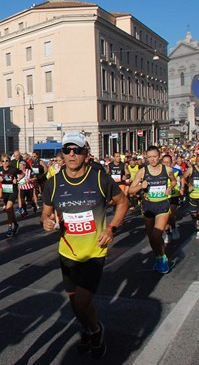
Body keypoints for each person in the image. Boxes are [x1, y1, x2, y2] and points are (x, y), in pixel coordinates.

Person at [40, 132, 128, 359]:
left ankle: (96, 331)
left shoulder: (99, 178)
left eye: (77, 150)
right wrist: (47, 221)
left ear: (86, 154)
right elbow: (46, 214)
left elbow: (122, 202)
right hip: (67, 252)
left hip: (93, 252)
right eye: (67, 150)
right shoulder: (54, 183)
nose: (71, 154)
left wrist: (111, 229)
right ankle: (90, 329)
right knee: (77, 304)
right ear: (62, 154)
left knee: (81, 301)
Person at [128, 146, 177, 274]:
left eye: (155, 156)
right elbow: (130, 190)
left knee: (156, 234)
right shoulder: (143, 171)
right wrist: (140, 186)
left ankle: (163, 258)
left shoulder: (168, 169)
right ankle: (159, 257)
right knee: (151, 237)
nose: (152, 159)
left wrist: (170, 188)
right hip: (148, 206)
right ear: (146, 157)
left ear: (159, 156)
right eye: (149, 157)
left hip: (162, 205)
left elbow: (173, 181)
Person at [0, 153, 21, 237]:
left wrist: (17, 180)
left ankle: (10, 227)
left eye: (7, 161)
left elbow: (23, 174)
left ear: (9, 162)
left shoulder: (13, 169)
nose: (5, 162)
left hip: (13, 191)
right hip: (5, 191)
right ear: (1, 162)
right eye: (3, 161)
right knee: (10, 211)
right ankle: (16, 224)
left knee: (9, 208)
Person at [161, 154, 182, 244]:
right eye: (164, 162)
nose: (166, 164)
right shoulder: (159, 171)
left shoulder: (176, 170)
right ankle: (167, 232)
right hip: (163, 196)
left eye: (168, 162)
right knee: (164, 216)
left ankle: (173, 228)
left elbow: (182, 178)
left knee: (169, 214)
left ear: (171, 162)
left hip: (174, 195)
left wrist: (182, 188)